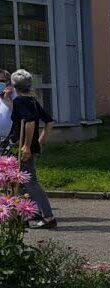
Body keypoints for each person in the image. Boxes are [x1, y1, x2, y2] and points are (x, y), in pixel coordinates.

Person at [9, 69, 55, 229]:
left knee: (30, 182)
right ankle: (29, 213)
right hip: (30, 145)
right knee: (20, 182)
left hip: (23, 146)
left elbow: (29, 122)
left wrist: (26, 146)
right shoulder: (32, 100)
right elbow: (49, 121)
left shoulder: (20, 101)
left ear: (14, 85)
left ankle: (48, 216)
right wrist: (41, 139)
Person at [0, 70, 13, 146]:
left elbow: (20, 115)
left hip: (11, 140)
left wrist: (7, 98)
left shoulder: (14, 95)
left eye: (1, 80)